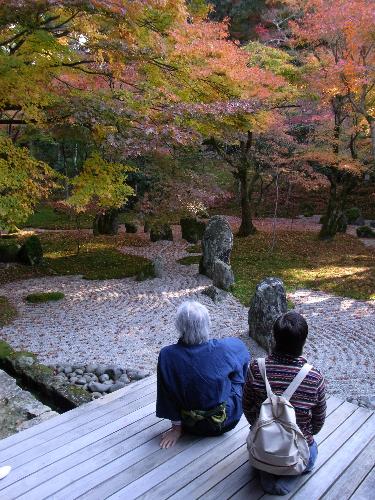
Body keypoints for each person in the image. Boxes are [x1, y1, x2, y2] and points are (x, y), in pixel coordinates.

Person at [243, 311, 326, 496]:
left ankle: (267, 469)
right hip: (298, 446)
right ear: (303, 341)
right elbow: (318, 423)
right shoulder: (314, 377)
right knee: (311, 452)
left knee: (261, 453)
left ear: (274, 338)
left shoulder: (256, 368)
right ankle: (289, 471)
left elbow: (247, 409)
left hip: (263, 444)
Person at [156, 300, 250, 448]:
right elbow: (245, 353)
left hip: (190, 425)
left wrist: (176, 429)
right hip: (226, 421)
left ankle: (177, 427)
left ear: (179, 326)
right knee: (238, 369)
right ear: (207, 324)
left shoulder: (167, 355)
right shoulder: (224, 348)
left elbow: (166, 395)